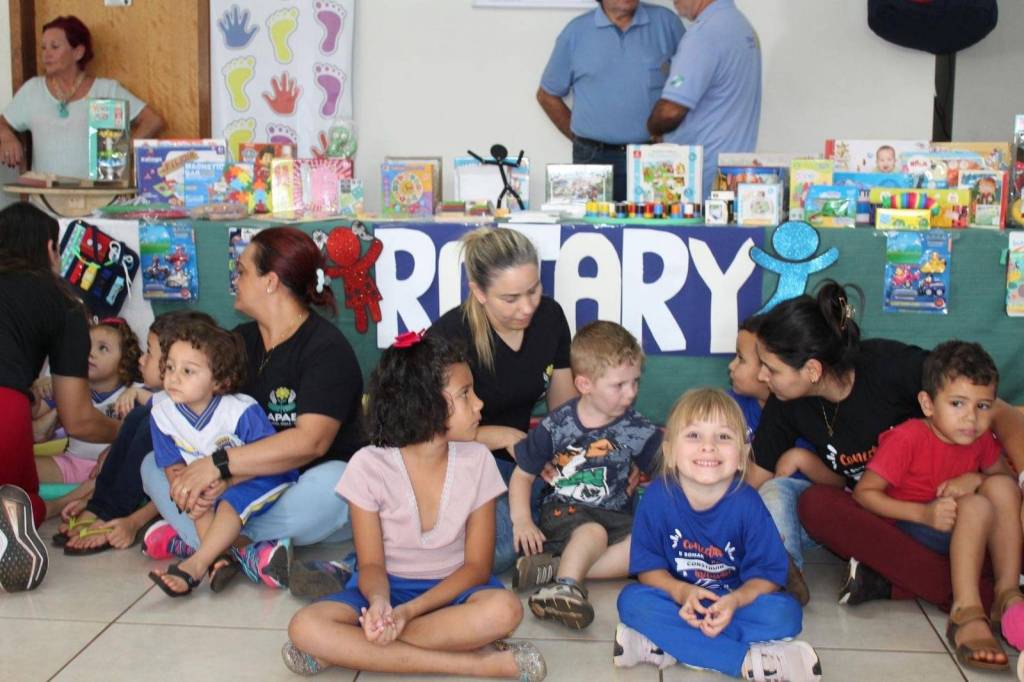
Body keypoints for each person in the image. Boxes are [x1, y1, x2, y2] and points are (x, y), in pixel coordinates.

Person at [747, 281, 1024, 612]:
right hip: (891, 513)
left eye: (771, 368)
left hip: (959, 511)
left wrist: (1014, 477)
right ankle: (977, 591)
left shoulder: (888, 365)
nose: (761, 376)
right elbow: (753, 482)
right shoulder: (784, 404)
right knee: (815, 504)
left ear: (812, 370)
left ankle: (910, 583)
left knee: (996, 515)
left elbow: (995, 409)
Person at [282, 334, 545, 680]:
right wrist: (380, 603)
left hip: (455, 592)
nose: (479, 404)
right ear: (425, 405)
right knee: (304, 625)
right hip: (386, 589)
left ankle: (352, 649)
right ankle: (477, 664)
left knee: (505, 610)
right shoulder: (368, 465)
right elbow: (371, 564)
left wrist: (407, 614)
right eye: (466, 394)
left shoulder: (478, 461)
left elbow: (477, 568)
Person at [140, 227, 365, 591]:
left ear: (270, 282)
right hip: (234, 489)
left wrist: (217, 466)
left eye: (242, 271)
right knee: (154, 466)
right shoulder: (238, 342)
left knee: (339, 483)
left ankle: (207, 543)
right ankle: (239, 551)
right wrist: (207, 477)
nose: (235, 279)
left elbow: (311, 442)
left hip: (299, 487)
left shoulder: (325, 348)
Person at [614, 388, 820, 681]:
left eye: (723, 436)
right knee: (631, 601)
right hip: (677, 599)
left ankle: (664, 643)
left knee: (786, 614)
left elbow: (768, 577)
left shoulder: (749, 504)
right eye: (694, 435)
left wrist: (735, 601)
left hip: (735, 601)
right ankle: (745, 662)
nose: (708, 446)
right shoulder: (657, 498)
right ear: (669, 452)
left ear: (742, 457)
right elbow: (649, 570)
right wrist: (681, 591)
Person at [850, 341, 1024, 671]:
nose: (971, 417)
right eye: (957, 403)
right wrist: (924, 514)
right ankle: (965, 611)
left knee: (1001, 487)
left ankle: (1007, 594)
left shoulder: (980, 439)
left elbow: (1003, 479)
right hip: (917, 525)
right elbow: (864, 493)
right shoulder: (908, 438)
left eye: (983, 406)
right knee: (978, 506)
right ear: (927, 404)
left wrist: (974, 479)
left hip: (966, 530)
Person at [429, 227, 577, 572]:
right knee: (501, 549)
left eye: (534, 290)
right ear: (478, 292)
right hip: (457, 459)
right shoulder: (450, 336)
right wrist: (502, 436)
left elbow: (565, 414)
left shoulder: (550, 318)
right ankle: (391, 557)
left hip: (520, 462)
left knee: (594, 505)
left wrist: (583, 458)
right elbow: (427, 433)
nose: (527, 307)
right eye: (510, 299)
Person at [510, 321, 660, 630]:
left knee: (649, 547)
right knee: (594, 533)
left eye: (635, 382)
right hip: (565, 514)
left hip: (617, 517)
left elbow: (665, 470)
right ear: (584, 384)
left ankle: (554, 568)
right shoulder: (557, 425)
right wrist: (522, 521)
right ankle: (565, 588)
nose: (631, 393)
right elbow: (522, 475)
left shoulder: (637, 428)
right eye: (619, 385)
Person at [148, 321, 298, 597]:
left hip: (260, 477)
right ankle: (223, 559)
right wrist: (187, 492)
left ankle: (196, 565)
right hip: (211, 484)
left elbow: (268, 458)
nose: (174, 378)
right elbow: (173, 464)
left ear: (219, 381)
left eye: (187, 371)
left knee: (229, 501)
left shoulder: (240, 411)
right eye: (169, 367)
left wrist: (228, 482)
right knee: (198, 506)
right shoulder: (161, 414)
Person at [0, 202, 119, 532]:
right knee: (19, 506)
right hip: (4, 407)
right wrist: (128, 433)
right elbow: (78, 420)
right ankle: (63, 503)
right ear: (51, 248)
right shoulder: (62, 300)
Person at [56, 311, 215, 556]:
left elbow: (176, 480)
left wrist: (133, 522)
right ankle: (98, 508)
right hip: (169, 490)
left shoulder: (198, 410)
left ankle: (110, 514)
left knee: (149, 424)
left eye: (149, 352)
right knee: (137, 417)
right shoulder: (165, 402)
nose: (141, 359)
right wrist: (92, 499)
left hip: (191, 497)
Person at [537, 0, 684, 201]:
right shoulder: (576, 32)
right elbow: (547, 95)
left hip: (653, 158)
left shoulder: (666, 24)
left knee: (654, 220)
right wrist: (581, 138)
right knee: (589, 221)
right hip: (592, 160)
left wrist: (670, 135)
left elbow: (688, 83)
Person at [0, 16, 164, 178]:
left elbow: (152, 121)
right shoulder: (33, 90)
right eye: (43, 48)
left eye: (54, 47)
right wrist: (7, 137)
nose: (46, 54)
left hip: (98, 194)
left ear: (78, 52)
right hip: (45, 194)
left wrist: (120, 153)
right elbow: (2, 123)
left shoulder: (106, 90)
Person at [647, 0, 762, 201]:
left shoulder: (704, 35)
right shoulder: (740, 25)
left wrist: (653, 128)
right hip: (733, 175)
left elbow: (670, 111)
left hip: (699, 181)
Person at [34, 318, 141, 499]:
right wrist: (40, 389)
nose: (90, 353)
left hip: (107, 468)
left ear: (124, 361)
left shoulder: (131, 394)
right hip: (69, 463)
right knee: (17, 467)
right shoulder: (70, 389)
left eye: (102, 348)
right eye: (86, 346)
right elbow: (33, 414)